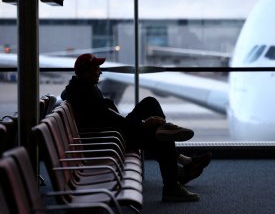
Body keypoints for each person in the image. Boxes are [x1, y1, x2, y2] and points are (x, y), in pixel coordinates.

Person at [61, 53, 212, 202]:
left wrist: (138, 123)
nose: (100, 72)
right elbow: (108, 119)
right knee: (163, 137)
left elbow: (107, 116)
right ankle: (172, 186)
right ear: (85, 71)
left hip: (114, 132)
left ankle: (177, 154)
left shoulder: (80, 88)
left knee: (150, 104)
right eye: (96, 68)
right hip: (112, 139)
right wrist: (142, 125)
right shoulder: (86, 93)